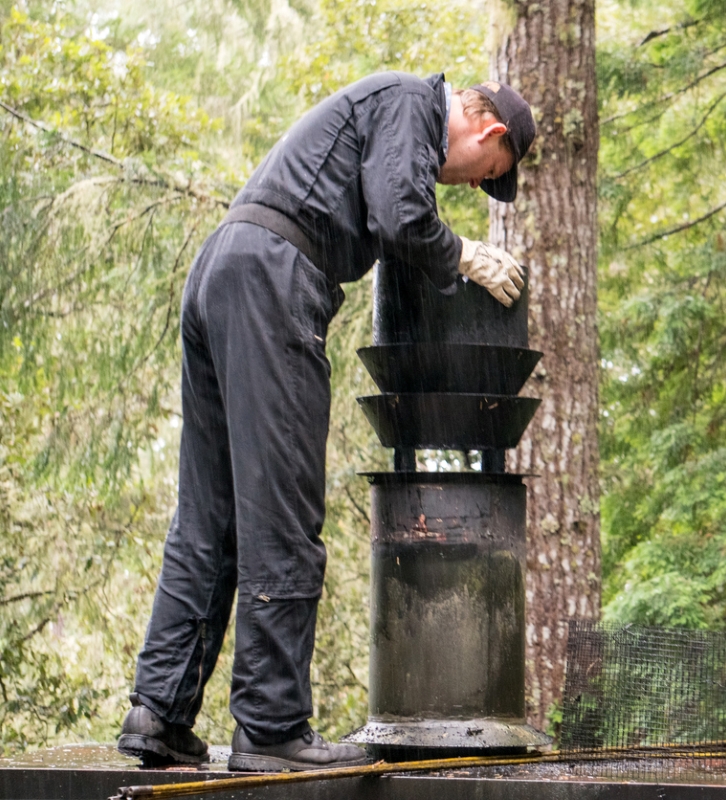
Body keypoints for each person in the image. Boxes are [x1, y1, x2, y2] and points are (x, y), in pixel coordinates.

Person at [115, 72, 536, 772]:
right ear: (488, 131)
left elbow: (388, 210)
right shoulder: (412, 101)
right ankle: (272, 726)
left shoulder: (388, 117)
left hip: (225, 269)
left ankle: (157, 712)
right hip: (273, 280)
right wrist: (465, 254)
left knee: (210, 516)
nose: (467, 187)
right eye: (482, 176)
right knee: (283, 515)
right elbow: (402, 216)